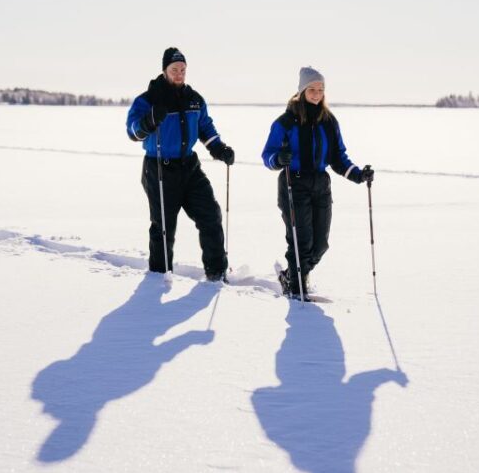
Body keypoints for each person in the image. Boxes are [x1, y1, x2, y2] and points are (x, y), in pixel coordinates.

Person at [261, 66, 374, 298]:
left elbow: (338, 157)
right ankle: (296, 292)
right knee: (300, 242)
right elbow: (268, 155)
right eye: (312, 89)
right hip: (294, 184)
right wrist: (278, 159)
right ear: (301, 91)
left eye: (320, 89)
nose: (316, 93)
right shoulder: (286, 121)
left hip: (321, 185)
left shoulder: (329, 121)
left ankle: (290, 276)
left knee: (320, 245)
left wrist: (358, 174)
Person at [126, 47, 235, 282]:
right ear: (165, 70)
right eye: (174, 69)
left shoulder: (194, 99)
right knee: (164, 226)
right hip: (159, 168)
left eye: (183, 70)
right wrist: (149, 121)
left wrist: (219, 148)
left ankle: (217, 273)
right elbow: (133, 131)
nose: (179, 74)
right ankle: (159, 277)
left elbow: (205, 127)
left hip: (190, 167)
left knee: (210, 215)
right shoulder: (148, 100)